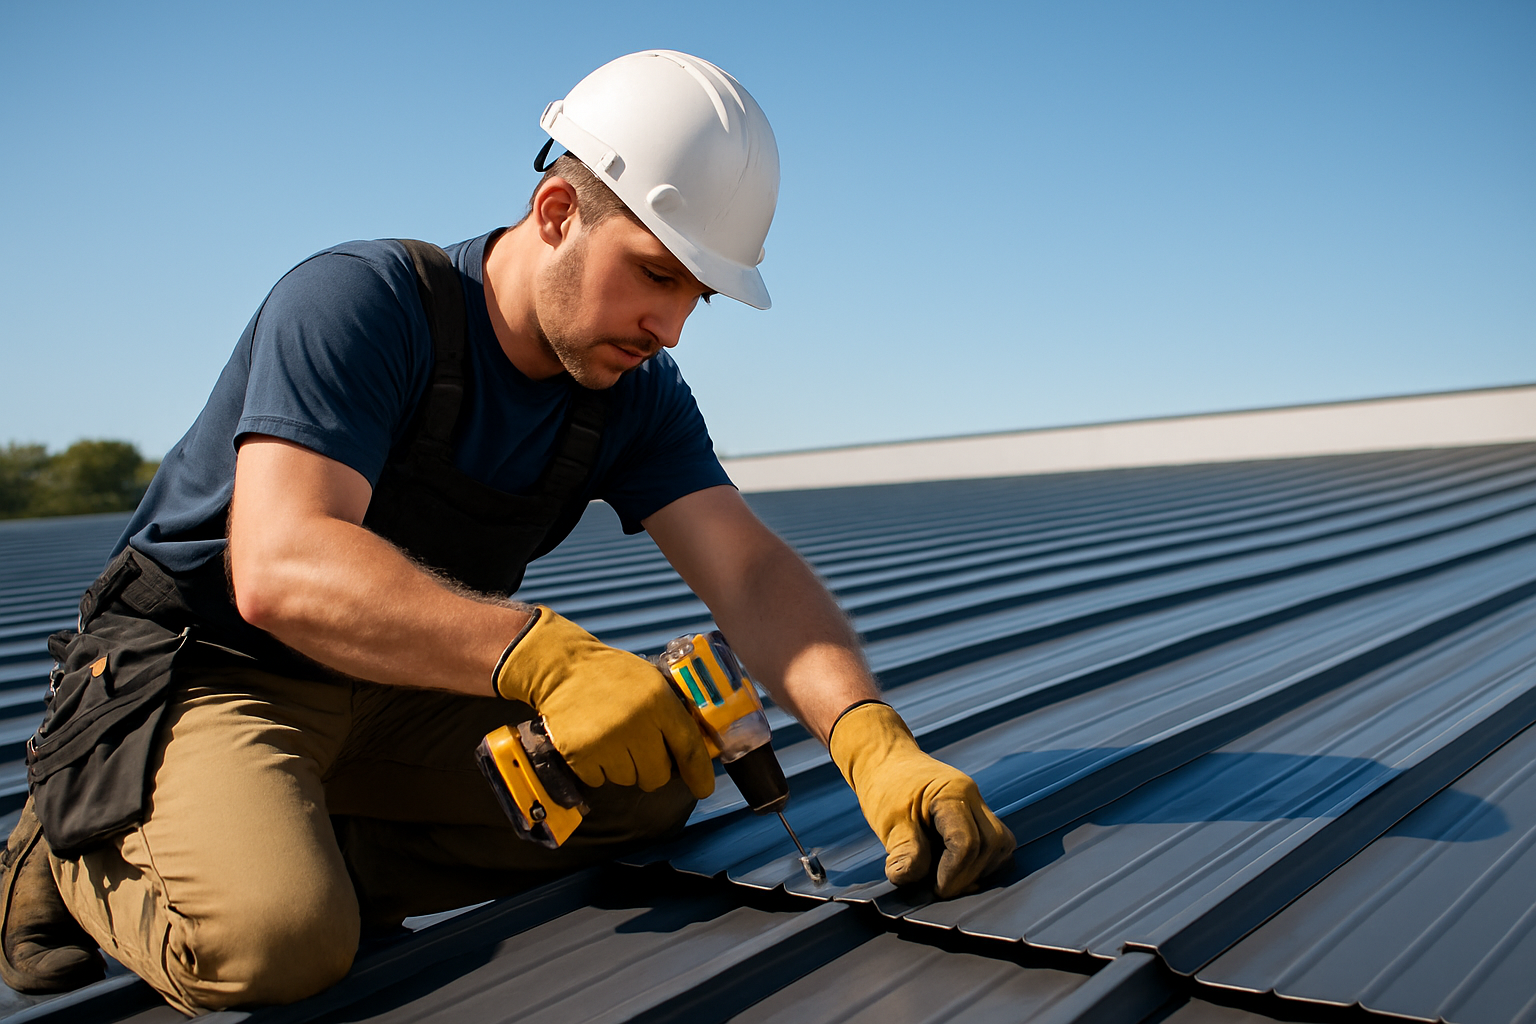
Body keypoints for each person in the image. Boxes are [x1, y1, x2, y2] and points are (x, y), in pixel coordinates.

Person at [0, 51, 1015, 1013]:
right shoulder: (362, 303)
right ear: (558, 211)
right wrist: (546, 658)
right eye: (658, 274)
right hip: (213, 672)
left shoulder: (632, 392)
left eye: (695, 297)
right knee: (281, 943)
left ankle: (293, 843)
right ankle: (74, 832)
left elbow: (746, 569)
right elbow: (281, 563)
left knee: (654, 779)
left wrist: (871, 739)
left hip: (396, 693)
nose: (672, 327)